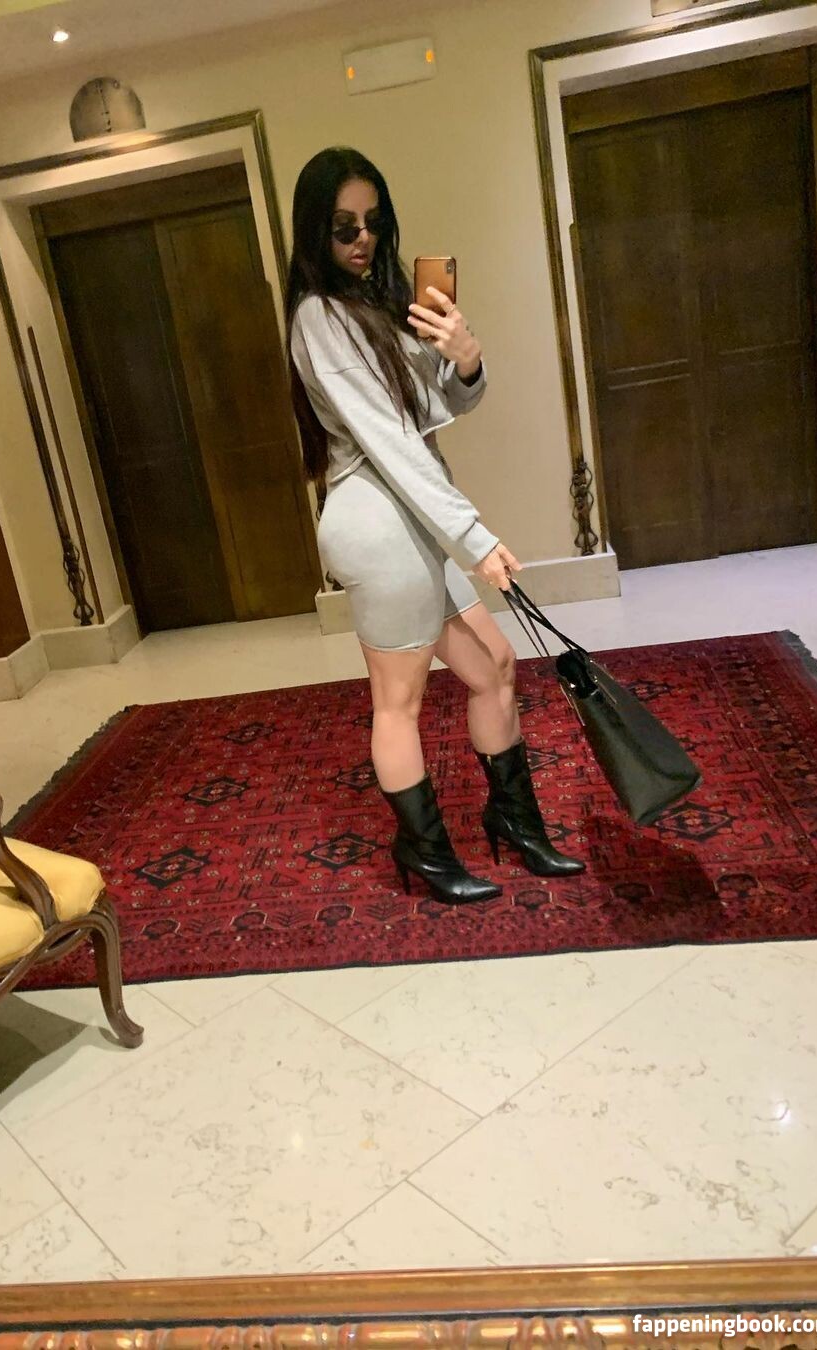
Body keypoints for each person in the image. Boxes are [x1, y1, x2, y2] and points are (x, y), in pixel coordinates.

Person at [285, 146, 585, 905]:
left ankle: (514, 822)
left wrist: (465, 361)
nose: (363, 239)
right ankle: (424, 850)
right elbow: (389, 442)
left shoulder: (377, 305)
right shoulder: (318, 316)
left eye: (374, 222)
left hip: (415, 513)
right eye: (344, 227)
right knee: (399, 702)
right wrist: (475, 538)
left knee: (495, 667)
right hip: (376, 524)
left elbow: (433, 410)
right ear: (314, 232)